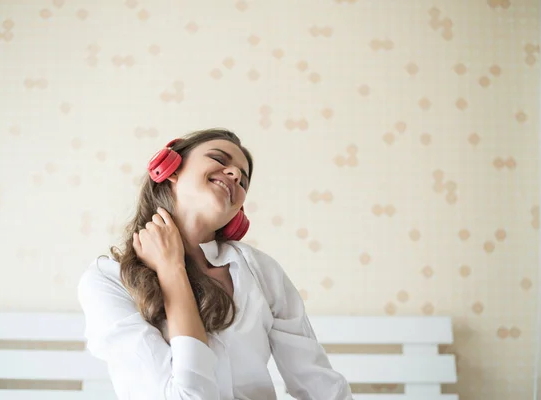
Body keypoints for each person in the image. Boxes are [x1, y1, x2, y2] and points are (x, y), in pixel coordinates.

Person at [77, 128, 353, 399]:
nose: (235, 175)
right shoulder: (108, 279)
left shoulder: (260, 270)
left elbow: (319, 385)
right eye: (220, 160)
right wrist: (172, 271)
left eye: (243, 181)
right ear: (170, 168)